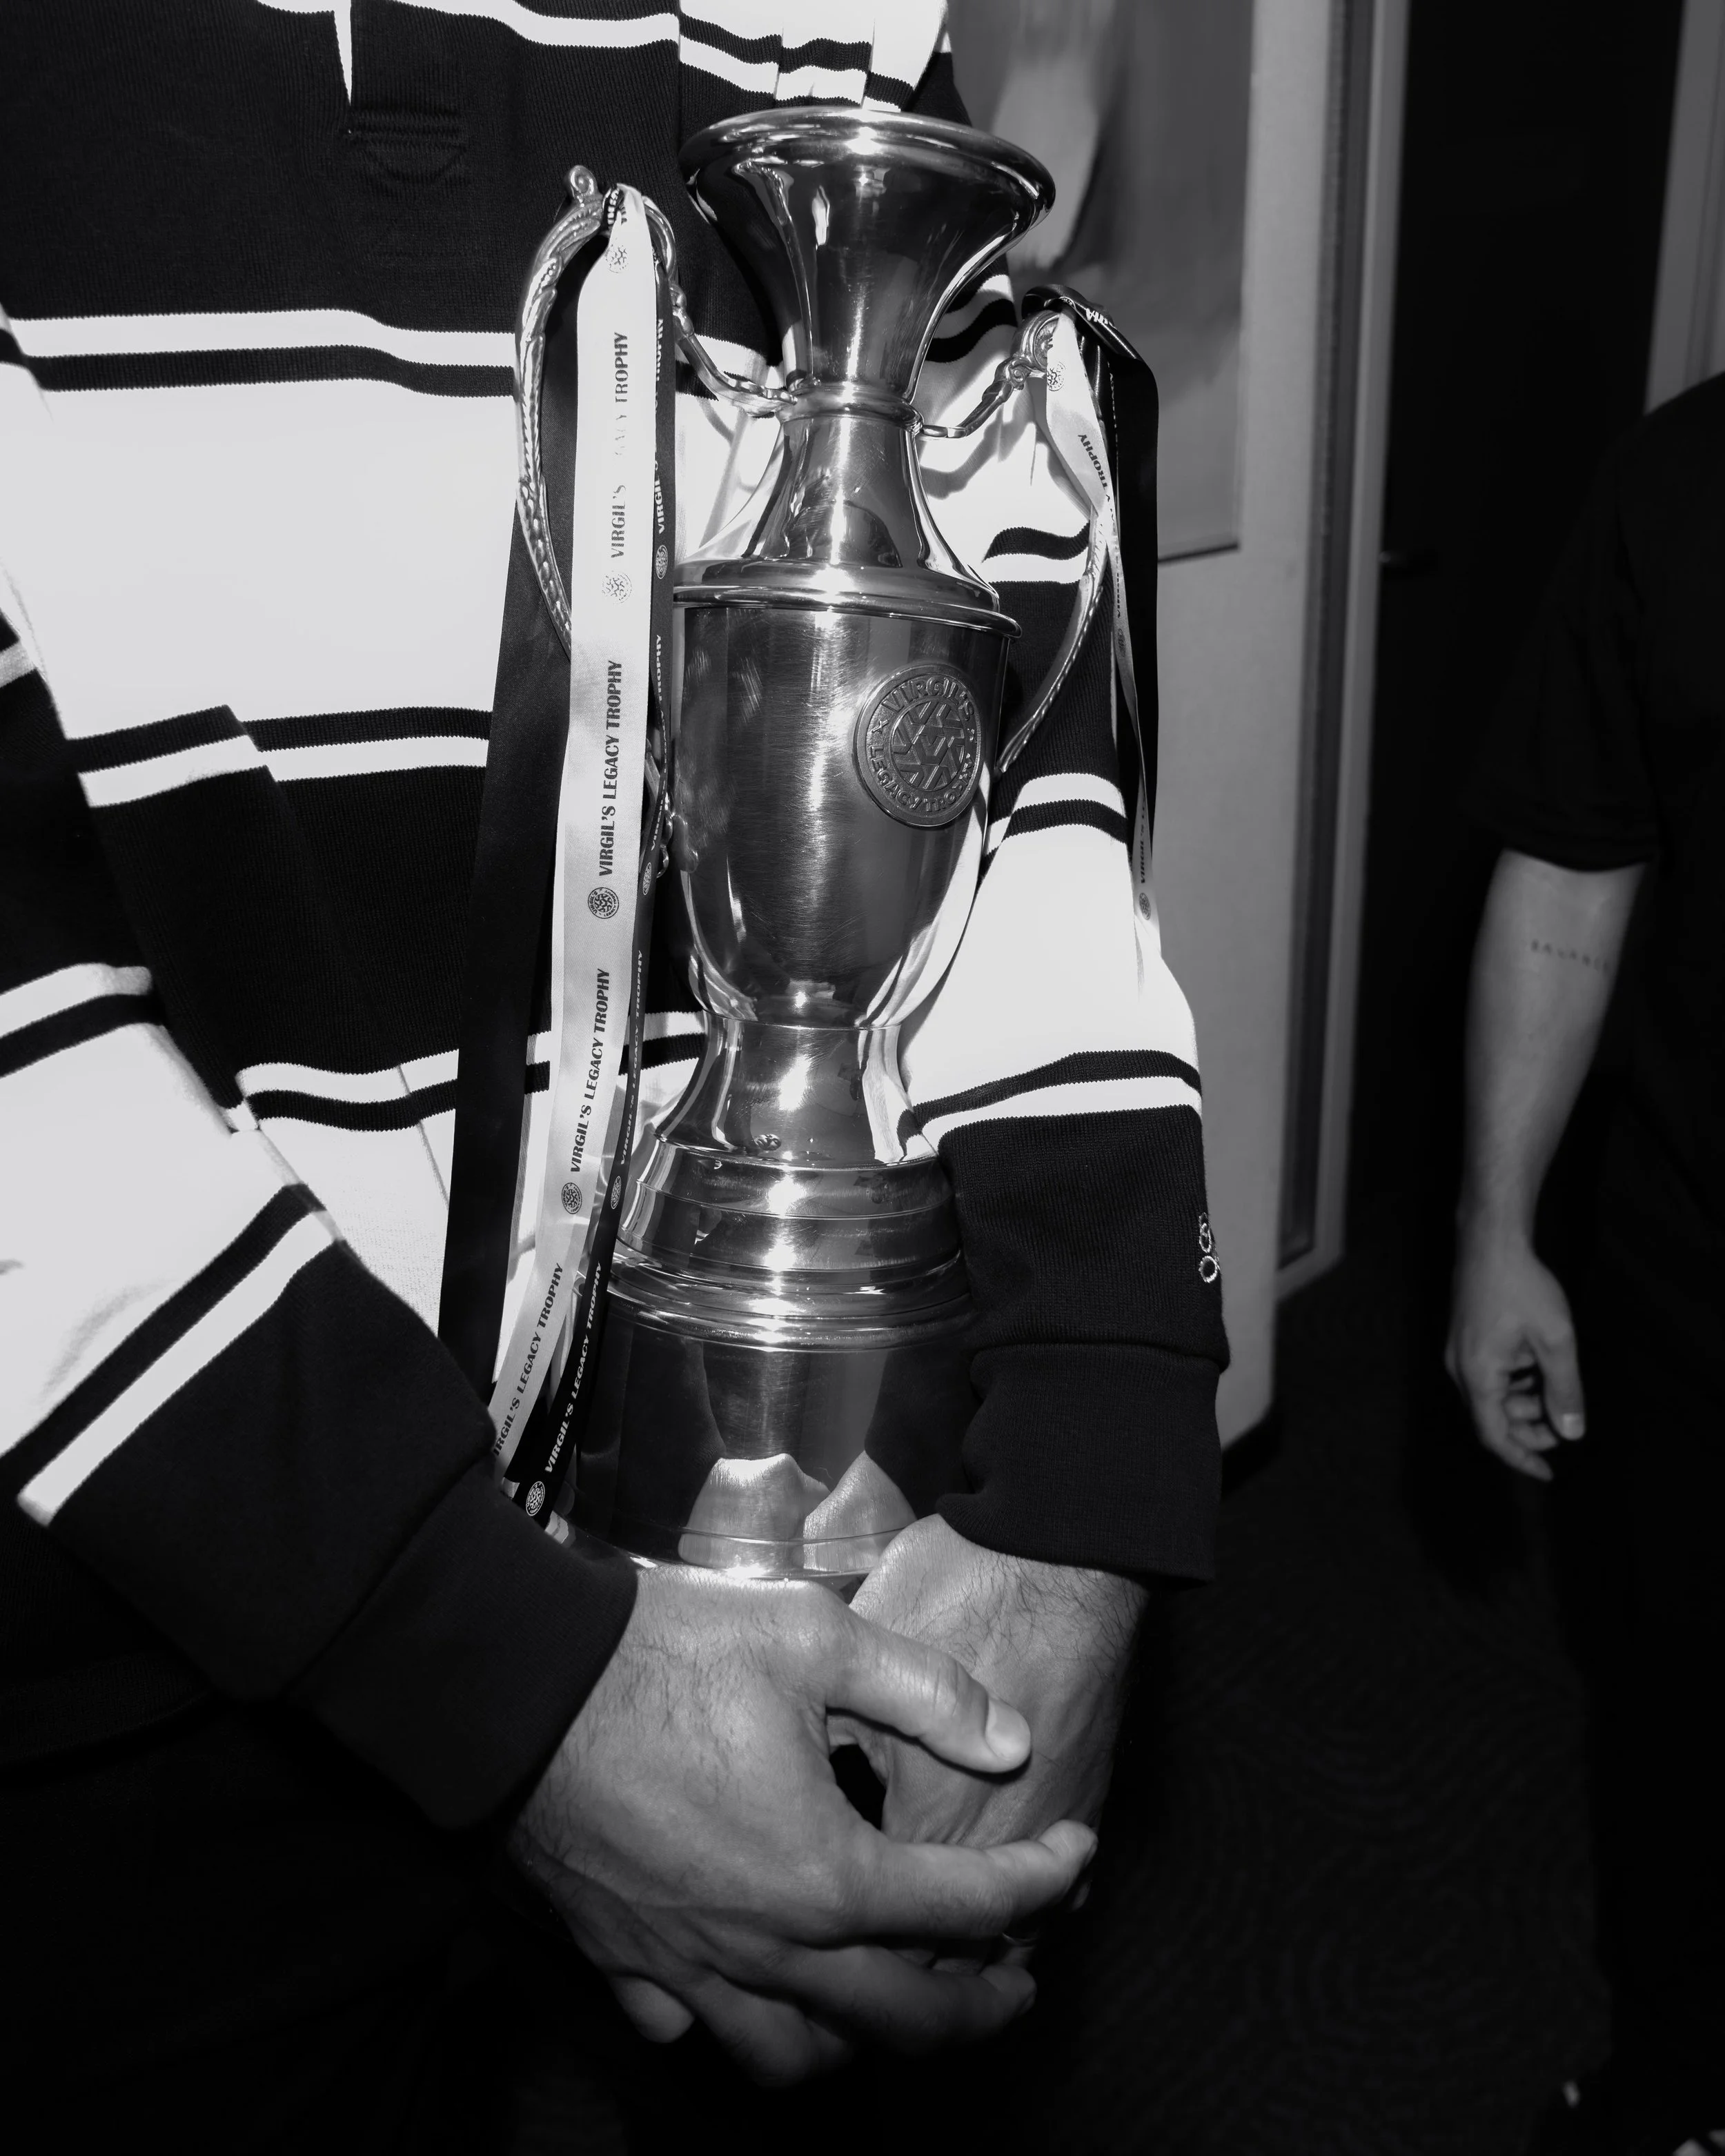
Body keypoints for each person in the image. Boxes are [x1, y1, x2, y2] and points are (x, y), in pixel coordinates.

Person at [0, 2, 1227, 2142]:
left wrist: (1092, 1454)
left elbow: (1004, 704)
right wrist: (459, 1633)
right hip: (105, 1623)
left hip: (773, 1538)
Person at [1446, 375, 1725, 2156]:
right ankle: (1683, 2086)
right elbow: (1571, 866)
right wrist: (1494, 1229)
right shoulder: (1683, 479)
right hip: (1693, 1280)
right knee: (1685, 1734)